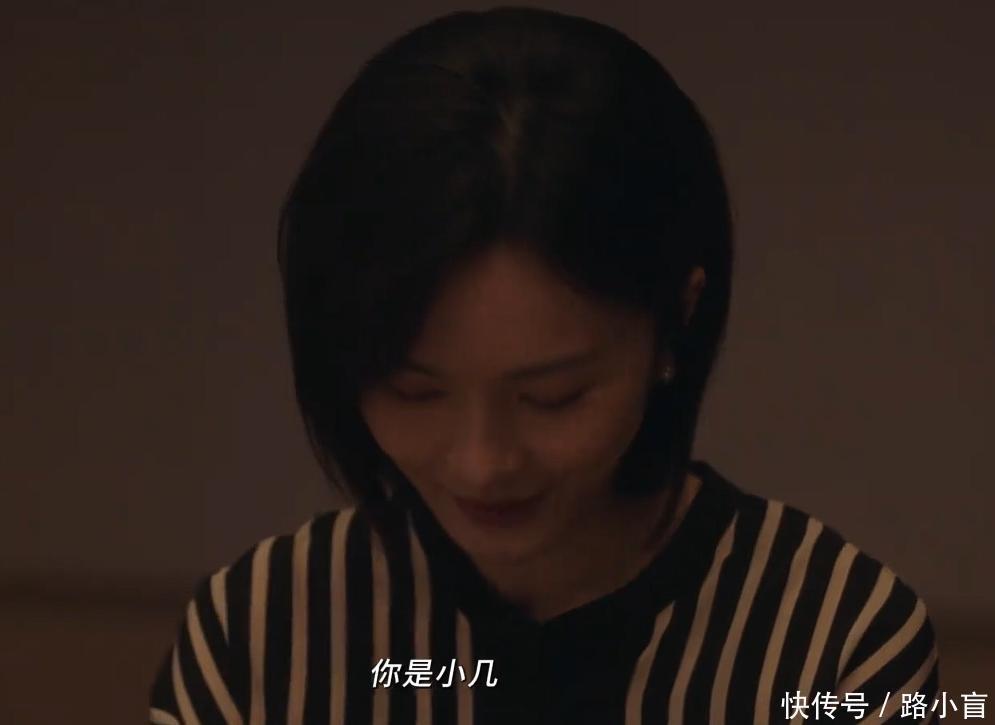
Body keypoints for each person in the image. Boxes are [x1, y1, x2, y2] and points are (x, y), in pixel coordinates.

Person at [149, 7, 939, 724]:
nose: (483, 462)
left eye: (553, 396)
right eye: (414, 390)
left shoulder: (835, 644)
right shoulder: (263, 633)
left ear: (675, 323)